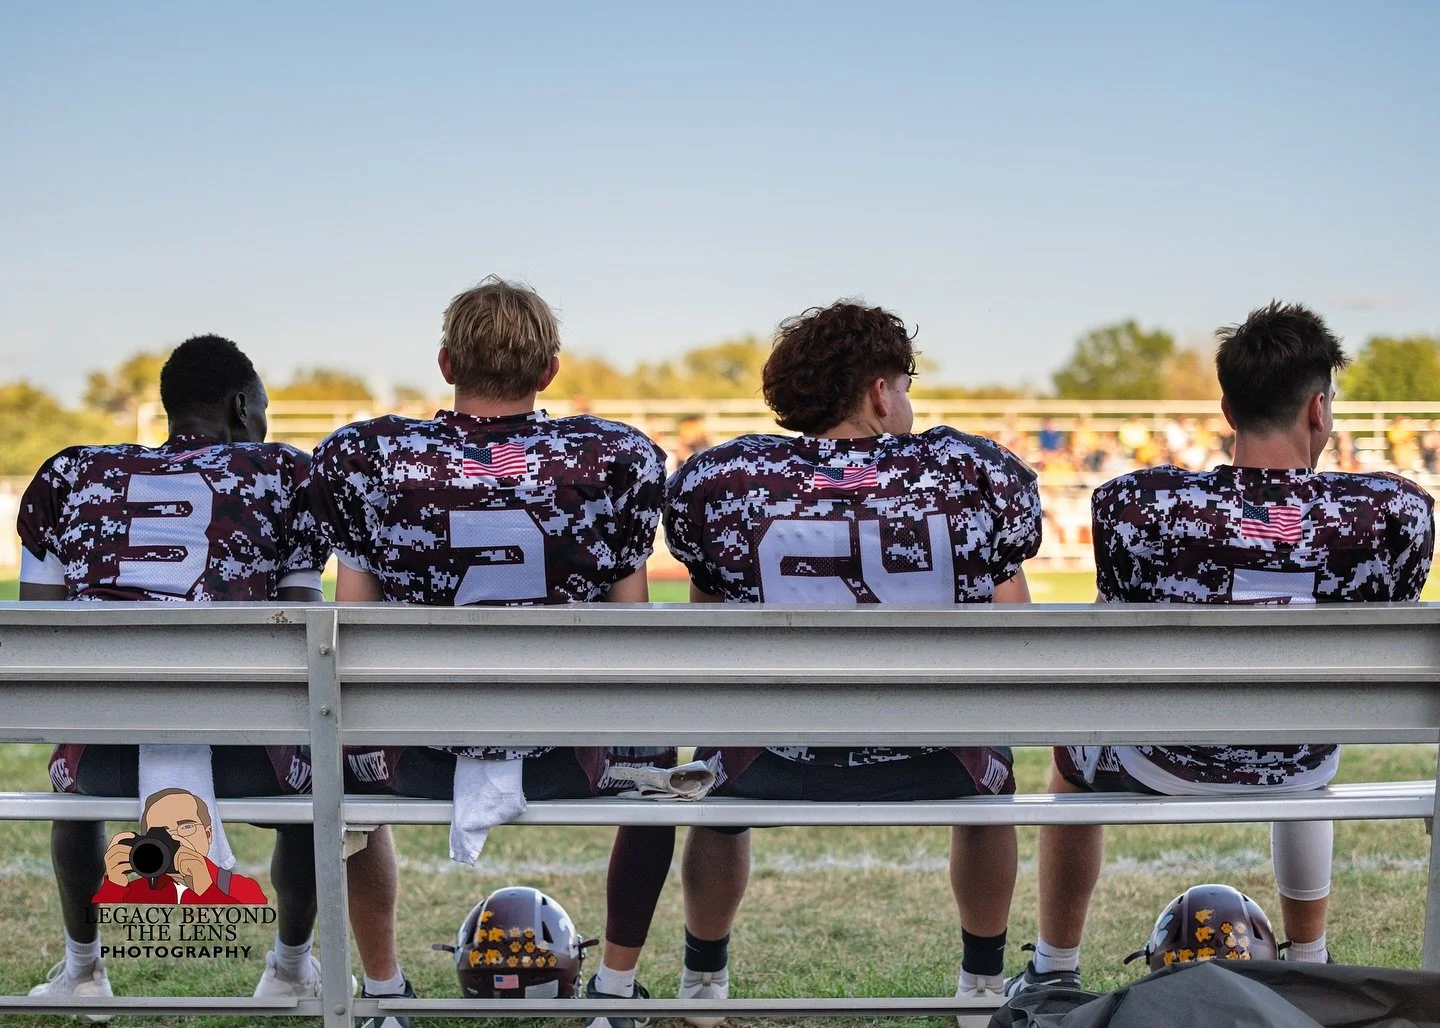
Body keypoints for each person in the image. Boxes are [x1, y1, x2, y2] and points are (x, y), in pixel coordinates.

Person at [1013, 301, 1435, 994]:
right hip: (1302, 753)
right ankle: (1310, 963)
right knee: (1308, 748)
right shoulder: (1394, 513)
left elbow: (1118, 600)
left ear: (1228, 409)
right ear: (1319, 411)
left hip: (1164, 755)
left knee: (1072, 759)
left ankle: (1054, 971)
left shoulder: (1137, 505)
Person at [307, 276, 672, 1028]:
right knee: (659, 762)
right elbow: (630, 633)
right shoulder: (615, 458)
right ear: (549, 372)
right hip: (573, 754)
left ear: (446, 364)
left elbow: (352, 624)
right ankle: (612, 992)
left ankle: (381, 992)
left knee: (339, 754)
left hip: (410, 757)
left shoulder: (369, 458)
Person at [660, 300, 1041, 1016]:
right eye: (903, 386)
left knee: (716, 764)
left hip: (768, 759)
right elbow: (1011, 635)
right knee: (991, 769)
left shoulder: (726, 477)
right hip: (939, 759)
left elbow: (708, 635)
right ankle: (981, 984)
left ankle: (703, 980)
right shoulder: (968, 470)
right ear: (877, 392)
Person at [17, 335, 329, 1009]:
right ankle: (291, 969)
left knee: (75, 782)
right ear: (243, 406)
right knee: (312, 803)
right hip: (252, 759)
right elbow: (304, 633)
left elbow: (39, 631)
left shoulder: (69, 474)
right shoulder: (284, 473)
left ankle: (82, 970)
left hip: (103, 761)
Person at [93, 789, 268, 904]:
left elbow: (253, 895)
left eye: (186, 827)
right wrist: (115, 885)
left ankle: (81, 954)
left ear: (209, 834)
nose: (174, 840)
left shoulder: (238, 887)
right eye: (160, 832)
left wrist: (207, 885)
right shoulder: (137, 886)